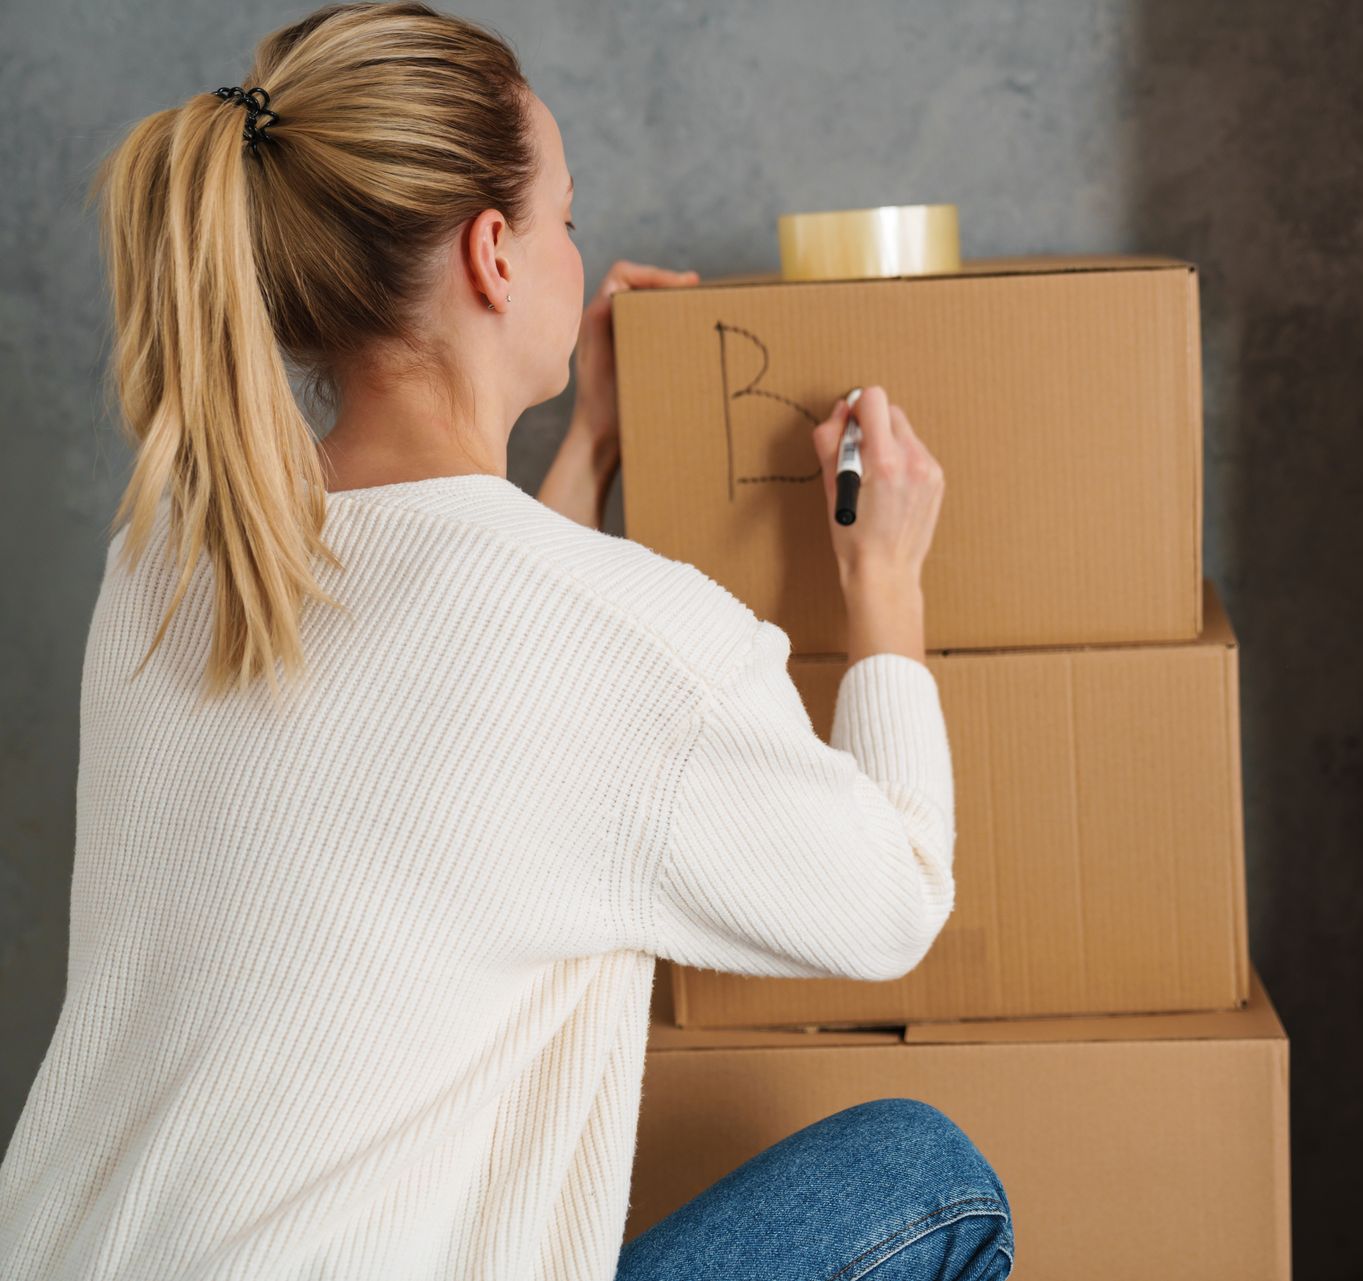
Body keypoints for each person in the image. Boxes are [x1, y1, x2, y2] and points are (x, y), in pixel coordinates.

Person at [0, 3, 1015, 1279]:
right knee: (929, 1175)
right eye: (567, 220)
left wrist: (583, 447)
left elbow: (459, 709)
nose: (573, 253)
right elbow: (896, 901)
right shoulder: (629, 643)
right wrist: (884, 582)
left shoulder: (170, 561)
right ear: (493, 253)